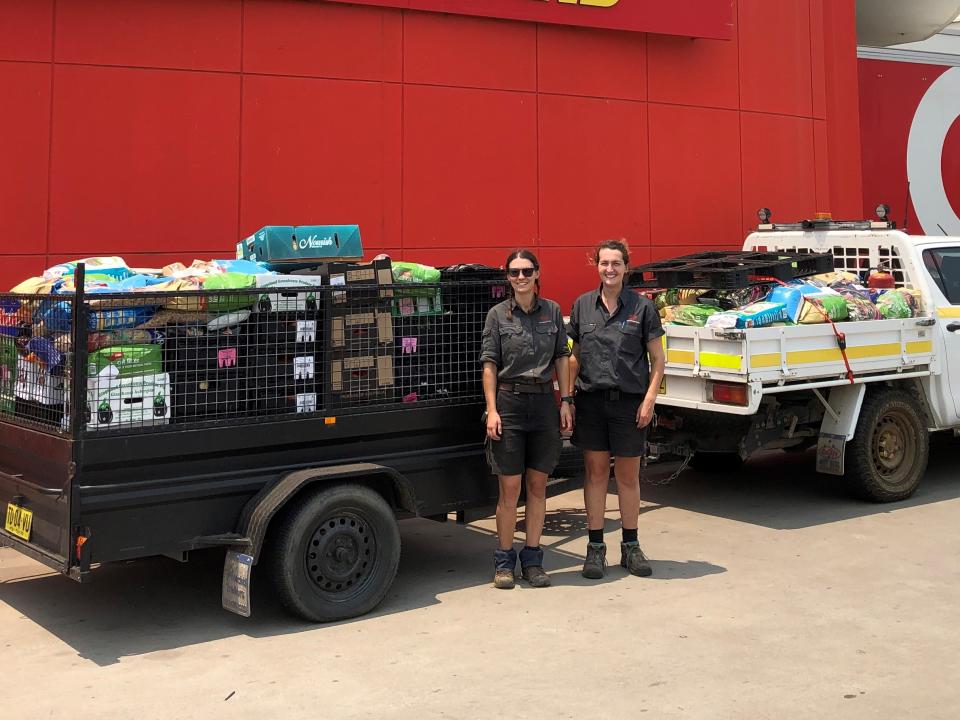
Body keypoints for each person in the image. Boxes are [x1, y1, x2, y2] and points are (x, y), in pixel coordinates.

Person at [568, 240, 665, 579]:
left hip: (629, 404)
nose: (610, 269)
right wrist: (567, 398)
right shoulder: (582, 306)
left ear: (626, 267)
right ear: (596, 265)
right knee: (595, 475)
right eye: (604, 263)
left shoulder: (642, 308)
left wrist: (650, 399)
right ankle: (595, 549)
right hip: (591, 402)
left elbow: (658, 359)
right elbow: (574, 356)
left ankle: (631, 546)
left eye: (616, 263)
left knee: (627, 477)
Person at [479, 249, 574, 589]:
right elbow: (489, 364)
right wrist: (492, 409)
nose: (520, 277)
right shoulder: (497, 315)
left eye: (526, 271)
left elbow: (563, 357)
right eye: (514, 272)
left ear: (537, 274)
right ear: (507, 277)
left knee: (537, 486)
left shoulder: (552, 311)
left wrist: (565, 400)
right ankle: (504, 561)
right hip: (509, 404)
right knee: (509, 489)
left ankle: (533, 560)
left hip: (544, 405)